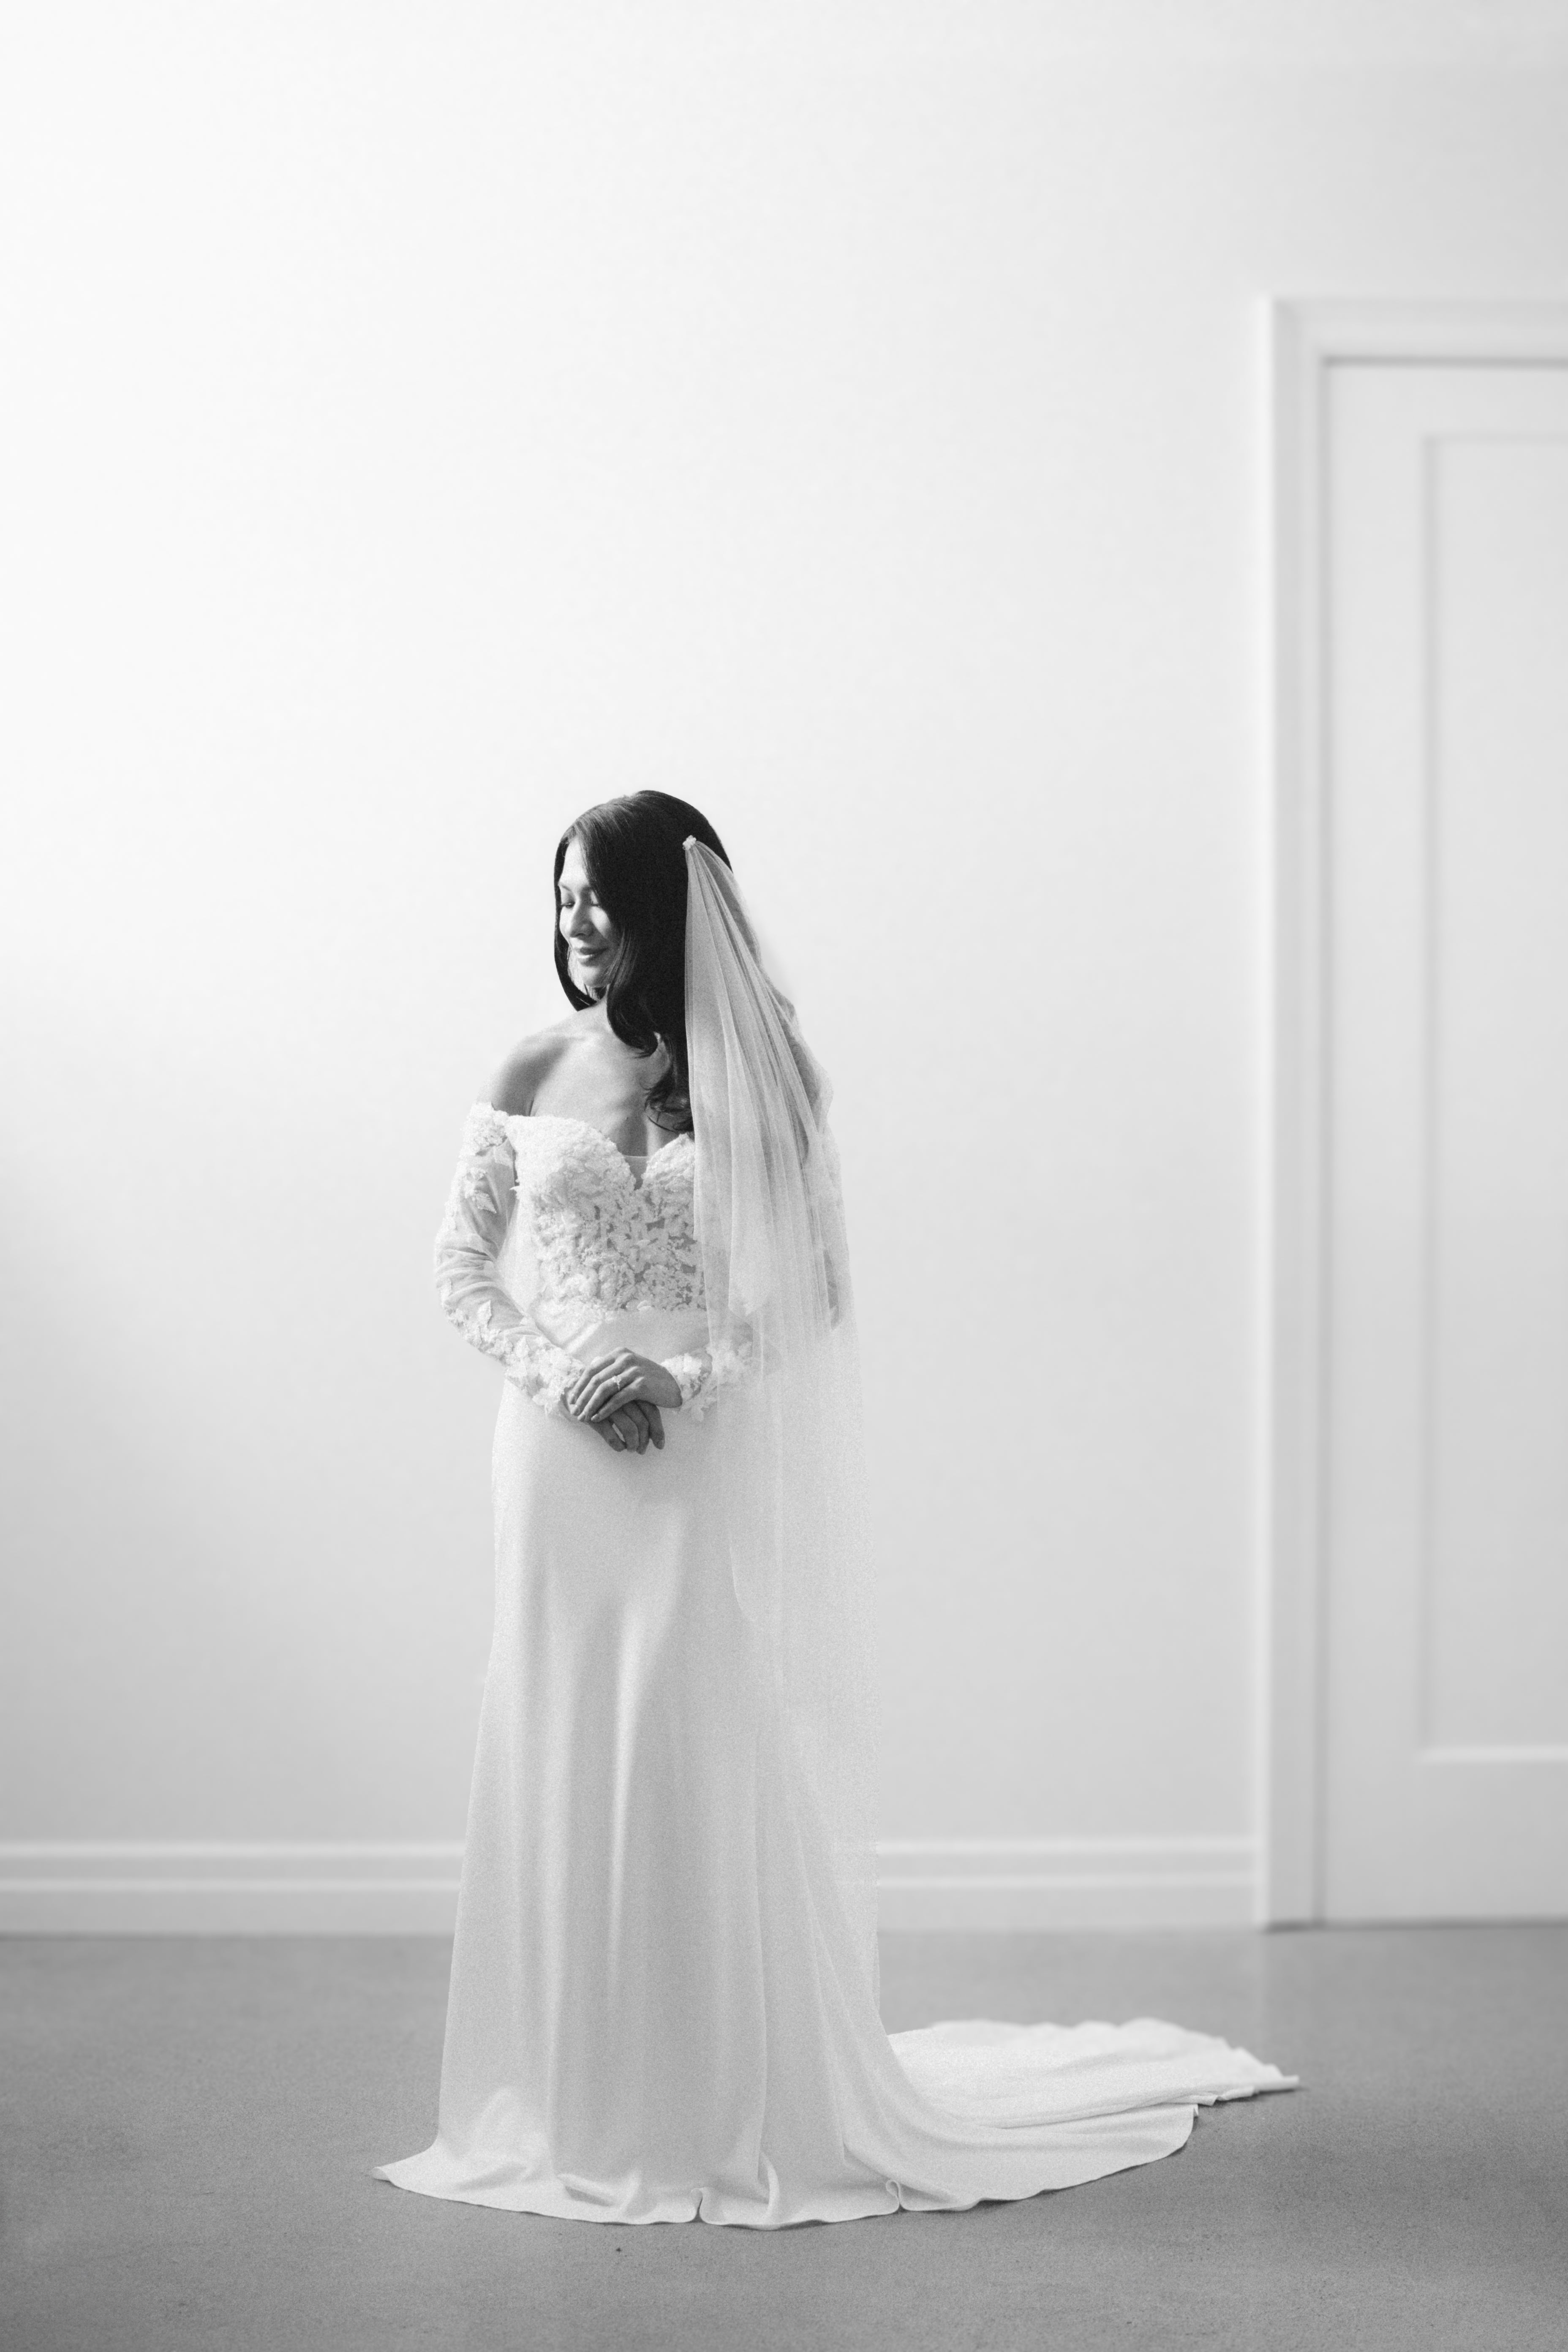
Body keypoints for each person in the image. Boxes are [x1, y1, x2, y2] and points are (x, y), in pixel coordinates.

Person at [377, 790, 1293, 2226]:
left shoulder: (762, 1071)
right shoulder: (530, 1060)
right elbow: (457, 1270)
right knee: (564, 1740)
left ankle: (717, 2096)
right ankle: (580, 2098)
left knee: (688, 1741)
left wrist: (674, 1377)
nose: (574, 924)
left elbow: (810, 1297)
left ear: (665, 908)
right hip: (558, 1462)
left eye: (598, 898)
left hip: (690, 1451)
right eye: (559, 898)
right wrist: (569, 1375)